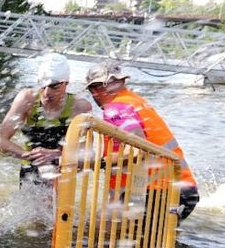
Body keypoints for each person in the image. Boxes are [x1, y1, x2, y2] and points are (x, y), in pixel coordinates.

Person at [85, 62, 199, 220]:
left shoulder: (116, 109)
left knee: (103, 231)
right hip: (178, 188)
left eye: (93, 89)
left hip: (160, 191)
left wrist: (100, 163)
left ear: (96, 89)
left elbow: (138, 151)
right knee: (109, 227)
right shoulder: (133, 101)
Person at [0, 52, 92, 186]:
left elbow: (85, 156)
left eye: (54, 86)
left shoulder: (80, 107)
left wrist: (55, 154)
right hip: (30, 166)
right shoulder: (27, 99)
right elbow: (0, 141)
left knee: (53, 205)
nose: (47, 92)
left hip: (63, 169)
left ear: (66, 83)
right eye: (43, 84)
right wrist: (26, 155)